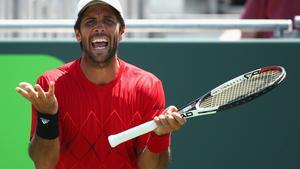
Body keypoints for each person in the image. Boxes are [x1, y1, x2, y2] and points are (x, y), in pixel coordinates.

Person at [15, 0, 186, 169]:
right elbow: (43, 164)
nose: (99, 27)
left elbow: (151, 168)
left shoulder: (148, 85)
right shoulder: (51, 84)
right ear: (78, 33)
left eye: (108, 21)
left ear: (122, 31)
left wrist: (160, 136)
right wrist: (48, 116)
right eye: (90, 22)